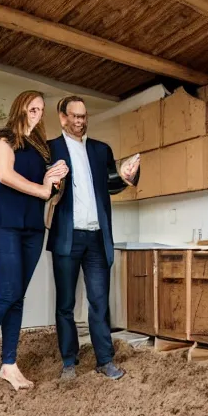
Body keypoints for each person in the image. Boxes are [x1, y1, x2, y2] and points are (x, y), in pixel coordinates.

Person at [0, 90, 68, 391]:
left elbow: (50, 191)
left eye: (40, 109)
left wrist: (55, 178)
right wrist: (41, 190)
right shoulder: (5, 141)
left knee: (17, 296)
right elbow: (5, 176)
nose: (37, 113)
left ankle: (9, 364)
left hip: (33, 230)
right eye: (32, 107)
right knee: (9, 290)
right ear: (20, 108)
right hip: (4, 226)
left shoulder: (42, 150)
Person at [47, 96, 140, 380]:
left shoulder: (101, 150)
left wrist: (127, 175)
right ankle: (68, 362)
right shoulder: (50, 149)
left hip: (97, 238)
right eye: (74, 116)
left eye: (84, 116)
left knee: (99, 301)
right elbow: (46, 189)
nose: (80, 121)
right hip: (67, 237)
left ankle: (105, 360)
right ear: (62, 117)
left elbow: (112, 185)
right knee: (65, 304)